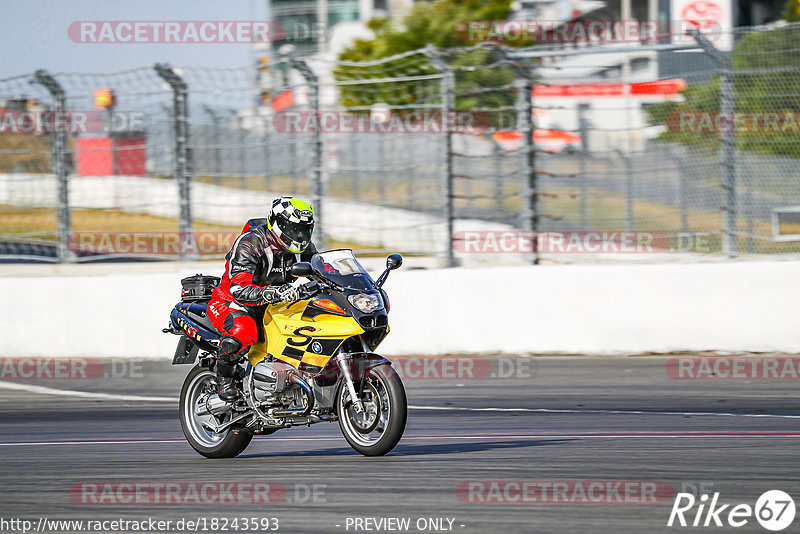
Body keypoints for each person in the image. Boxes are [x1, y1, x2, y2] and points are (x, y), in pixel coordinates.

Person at [207, 196, 317, 401]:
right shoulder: (251, 243)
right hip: (232, 302)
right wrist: (271, 293)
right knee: (243, 329)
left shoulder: (304, 248)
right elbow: (239, 289)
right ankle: (224, 381)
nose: (299, 235)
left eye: (304, 229)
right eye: (294, 229)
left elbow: (321, 272)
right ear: (277, 223)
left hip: (275, 303)